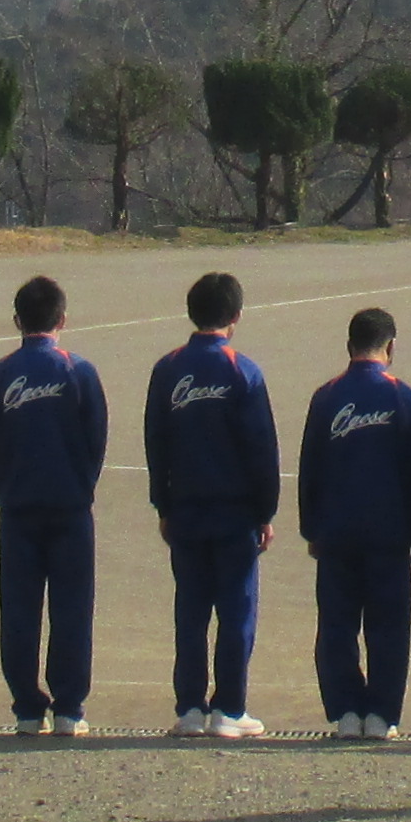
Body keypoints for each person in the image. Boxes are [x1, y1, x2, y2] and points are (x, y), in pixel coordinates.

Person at [145, 270, 280, 736]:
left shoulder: (167, 369)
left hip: (185, 508)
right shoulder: (243, 370)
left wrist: (162, 504)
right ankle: (229, 709)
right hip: (235, 512)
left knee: (191, 610)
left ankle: (189, 708)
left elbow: (155, 442)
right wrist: (265, 511)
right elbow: (261, 447)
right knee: (236, 610)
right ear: (236, 315)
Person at [0, 275, 109, 735]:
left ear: (17, 320)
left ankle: (27, 709)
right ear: (62, 319)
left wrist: (7, 484)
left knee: (19, 609)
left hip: (18, 507)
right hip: (70, 508)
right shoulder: (79, 371)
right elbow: (95, 438)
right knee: (72, 608)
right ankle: (69, 707)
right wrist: (81, 485)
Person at [299, 307, 411, 739]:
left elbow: (310, 468)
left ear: (349, 346)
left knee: (336, 625)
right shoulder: (404, 398)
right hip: (389, 533)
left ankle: (345, 711)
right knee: (388, 626)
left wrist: (311, 527)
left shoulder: (326, 397)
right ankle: (381, 713)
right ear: (391, 346)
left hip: (336, 530)